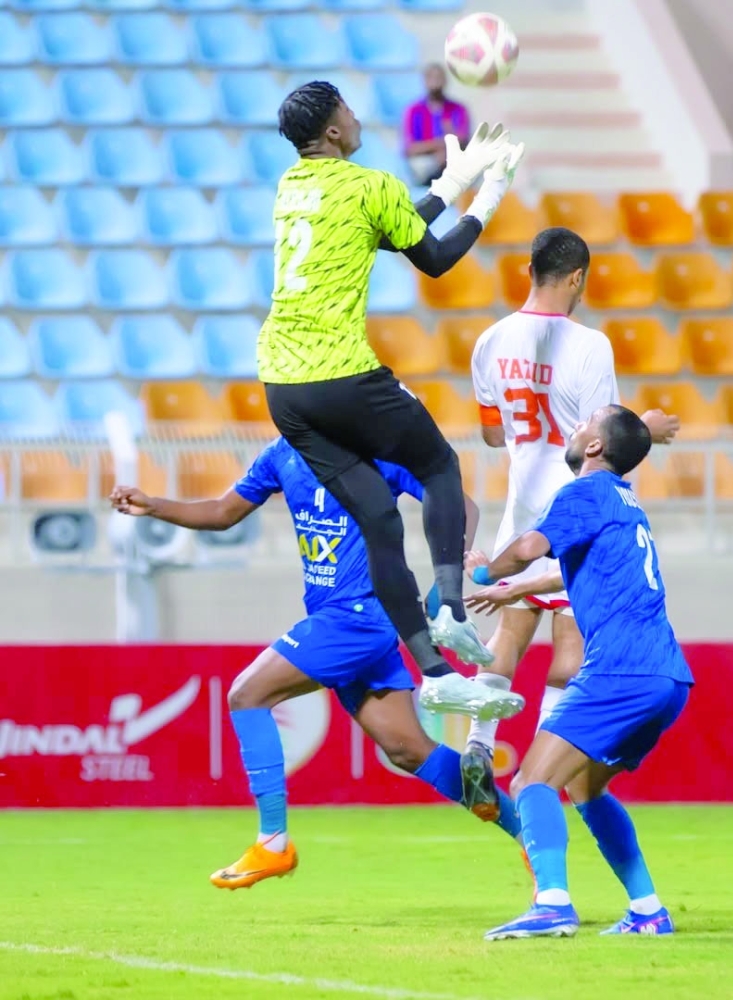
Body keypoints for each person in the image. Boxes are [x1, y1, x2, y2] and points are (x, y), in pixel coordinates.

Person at [109, 438, 524, 889]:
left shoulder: (377, 445)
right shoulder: (279, 454)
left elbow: (458, 504)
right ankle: (529, 835)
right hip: (345, 618)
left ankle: (273, 844)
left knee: (247, 694)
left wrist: (448, 575)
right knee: (407, 750)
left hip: (356, 617)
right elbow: (222, 512)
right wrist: (154, 506)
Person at [258, 80, 526, 721]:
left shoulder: (292, 188)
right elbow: (431, 259)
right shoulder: (369, 182)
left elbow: (380, 228)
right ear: (331, 131)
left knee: (378, 518)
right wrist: (484, 198)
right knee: (437, 466)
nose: (356, 117)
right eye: (347, 110)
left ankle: (434, 673)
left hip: (282, 386)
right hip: (340, 370)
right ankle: (453, 609)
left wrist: (448, 183)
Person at [458, 226, 679, 819]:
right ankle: (542, 764)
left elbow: (488, 433)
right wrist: (645, 429)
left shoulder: (490, 341)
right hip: (572, 509)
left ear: (530, 270)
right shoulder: (590, 346)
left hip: (519, 504)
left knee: (506, 637)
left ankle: (477, 746)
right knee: (569, 648)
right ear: (577, 276)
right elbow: (594, 442)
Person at [464, 405, 694, 940]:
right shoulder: (624, 501)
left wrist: (484, 569)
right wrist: (518, 589)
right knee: (587, 788)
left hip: (620, 671)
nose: (575, 429)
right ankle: (648, 911)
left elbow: (528, 547)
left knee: (530, 781)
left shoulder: (582, 493)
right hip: (666, 677)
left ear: (595, 447)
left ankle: (552, 903)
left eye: (586, 422)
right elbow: (581, 569)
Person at [403, 64, 471, 187]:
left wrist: (446, 152)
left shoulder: (457, 109)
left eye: (438, 77)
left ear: (445, 81)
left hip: (452, 159)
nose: (435, 81)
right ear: (424, 80)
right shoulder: (415, 111)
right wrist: (440, 146)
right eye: (431, 77)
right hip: (425, 161)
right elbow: (411, 149)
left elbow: (462, 139)